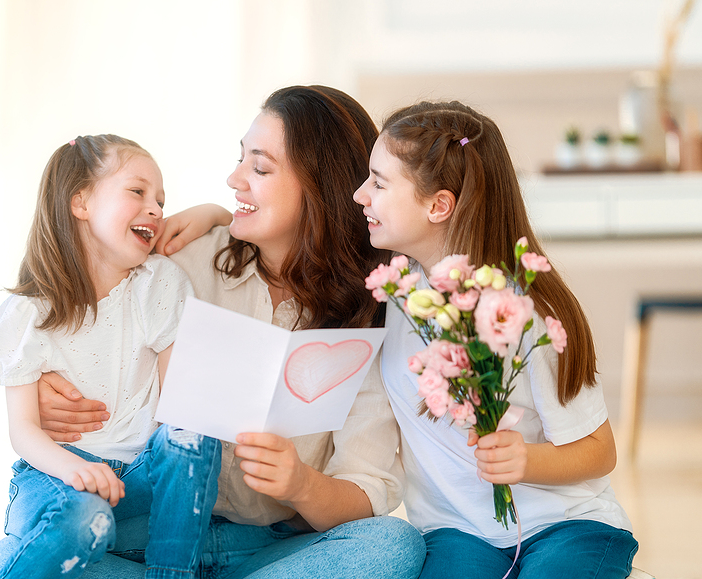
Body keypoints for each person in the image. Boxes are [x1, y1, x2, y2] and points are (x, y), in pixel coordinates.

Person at [35, 86, 427, 578]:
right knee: (34, 555)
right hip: (151, 537)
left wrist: (302, 484)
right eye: (240, 159)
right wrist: (43, 386)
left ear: (321, 188)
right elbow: (62, 306)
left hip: (268, 548)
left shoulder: (372, 310)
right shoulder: (180, 262)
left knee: (394, 545)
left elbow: (366, 489)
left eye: (259, 168)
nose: (234, 179)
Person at [352, 100, 638, 579]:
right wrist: (214, 216)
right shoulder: (396, 293)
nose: (360, 195)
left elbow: (600, 451)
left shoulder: (524, 311)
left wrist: (529, 460)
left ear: (439, 205)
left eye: (379, 183)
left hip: (567, 527)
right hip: (457, 532)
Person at [0, 134, 221, 579]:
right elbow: (23, 432)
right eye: (137, 191)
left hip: (141, 478)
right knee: (86, 520)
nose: (156, 208)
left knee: (194, 434)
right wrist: (77, 470)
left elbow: (180, 413)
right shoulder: (26, 313)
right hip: (55, 478)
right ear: (81, 202)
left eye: (160, 200)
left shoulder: (161, 284)